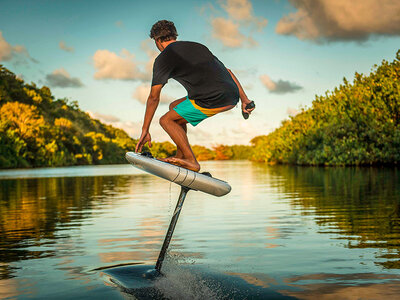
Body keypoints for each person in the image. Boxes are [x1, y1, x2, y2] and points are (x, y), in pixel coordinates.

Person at [135, 20, 254, 171]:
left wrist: (145, 130)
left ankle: (191, 161)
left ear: (157, 41)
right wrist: (244, 100)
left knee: (166, 121)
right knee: (174, 107)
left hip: (212, 99)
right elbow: (228, 71)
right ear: (174, 35)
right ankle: (181, 156)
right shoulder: (198, 46)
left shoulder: (163, 58)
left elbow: (153, 97)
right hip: (231, 95)